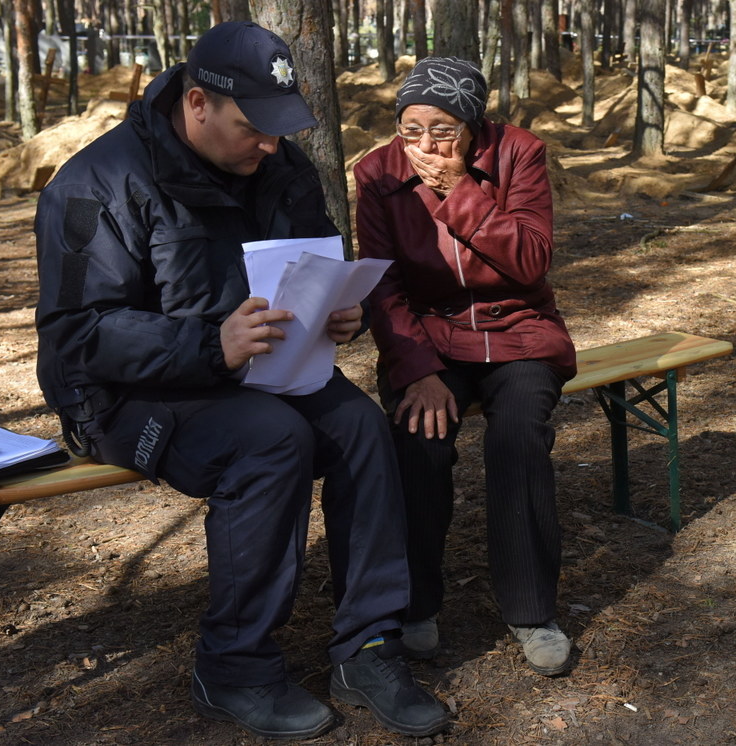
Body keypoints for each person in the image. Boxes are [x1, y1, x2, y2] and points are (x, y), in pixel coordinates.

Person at [34, 21, 449, 740]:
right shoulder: (97, 184)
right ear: (197, 103)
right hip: (118, 394)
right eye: (252, 128)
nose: (269, 145)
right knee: (272, 441)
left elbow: (309, 262)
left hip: (256, 364)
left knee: (360, 429)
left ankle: (368, 645)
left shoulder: (279, 166)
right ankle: (233, 666)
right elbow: (78, 334)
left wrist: (332, 314)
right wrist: (210, 344)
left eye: (279, 129)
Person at [354, 57, 577, 676]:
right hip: (429, 336)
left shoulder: (520, 153)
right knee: (419, 440)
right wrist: (415, 369)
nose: (425, 146)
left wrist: (460, 192)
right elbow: (383, 286)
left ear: (474, 125)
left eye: (443, 129)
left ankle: (532, 611)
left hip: (519, 330)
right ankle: (415, 604)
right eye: (410, 129)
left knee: (519, 440)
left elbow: (531, 260)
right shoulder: (376, 172)